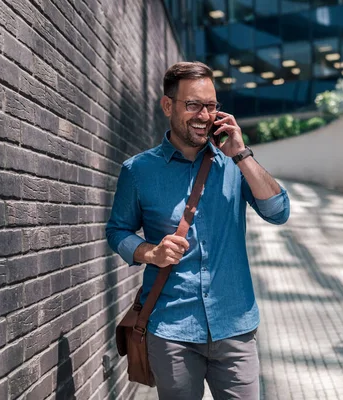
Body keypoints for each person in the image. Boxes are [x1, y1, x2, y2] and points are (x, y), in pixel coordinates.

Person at [105, 61, 290, 399]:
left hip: (234, 326)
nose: (204, 115)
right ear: (167, 106)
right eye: (193, 105)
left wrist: (242, 154)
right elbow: (117, 231)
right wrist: (151, 252)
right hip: (171, 329)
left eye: (211, 105)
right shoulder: (138, 171)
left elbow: (278, 212)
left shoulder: (234, 165)